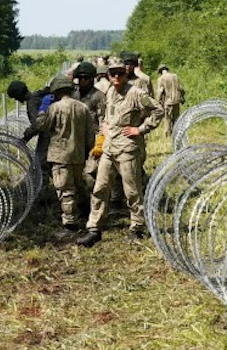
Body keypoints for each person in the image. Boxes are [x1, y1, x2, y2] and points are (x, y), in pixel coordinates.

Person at [77, 62, 164, 247]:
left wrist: (140, 129)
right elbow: (108, 115)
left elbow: (158, 110)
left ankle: (137, 228)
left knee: (132, 191)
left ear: (125, 74)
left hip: (127, 149)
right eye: (112, 74)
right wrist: (105, 127)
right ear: (108, 75)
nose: (116, 77)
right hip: (110, 148)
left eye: (119, 74)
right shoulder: (110, 92)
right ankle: (94, 229)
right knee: (100, 188)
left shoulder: (136, 93)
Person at [32, 75, 94, 237]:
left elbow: (42, 126)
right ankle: (87, 214)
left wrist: (42, 111)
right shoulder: (83, 107)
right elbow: (90, 134)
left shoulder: (55, 108)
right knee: (79, 185)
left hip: (60, 156)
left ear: (56, 91)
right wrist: (87, 151)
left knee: (65, 190)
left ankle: (70, 225)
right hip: (78, 154)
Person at [73, 61, 106, 191]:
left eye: (85, 78)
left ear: (92, 79)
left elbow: (103, 120)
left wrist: (100, 141)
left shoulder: (99, 96)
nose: (82, 81)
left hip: (93, 140)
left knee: (90, 174)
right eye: (79, 78)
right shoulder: (74, 95)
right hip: (75, 141)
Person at [7, 79, 52, 173]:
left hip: (48, 134)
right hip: (53, 131)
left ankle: (43, 186)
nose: (16, 100)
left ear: (19, 95)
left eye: (16, 97)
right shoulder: (38, 95)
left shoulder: (32, 102)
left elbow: (37, 125)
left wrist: (25, 137)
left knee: (40, 165)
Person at [156, 64, 185, 137]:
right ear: (166, 69)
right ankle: (177, 134)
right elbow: (181, 88)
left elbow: (160, 92)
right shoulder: (175, 76)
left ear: (160, 71)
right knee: (176, 119)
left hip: (168, 102)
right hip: (176, 101)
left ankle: (168, 135)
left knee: (167, 120)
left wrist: (157, 102)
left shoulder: (160, 79)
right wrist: (182, 98)